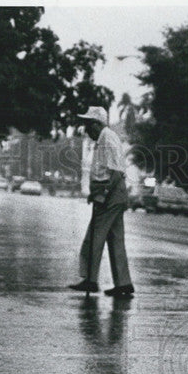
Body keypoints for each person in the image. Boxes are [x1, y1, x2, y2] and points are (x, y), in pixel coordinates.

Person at [68, 106, 134, 298]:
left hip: (111, 193)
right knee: (115, 240)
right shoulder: (102, 140)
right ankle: (123, 283)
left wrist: (103, 194)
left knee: (94, 237)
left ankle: (90, 280)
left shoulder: (108, 138)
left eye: (88, 125)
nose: (86, 130)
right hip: (113, 193)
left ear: (97, 124)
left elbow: (115, 172)